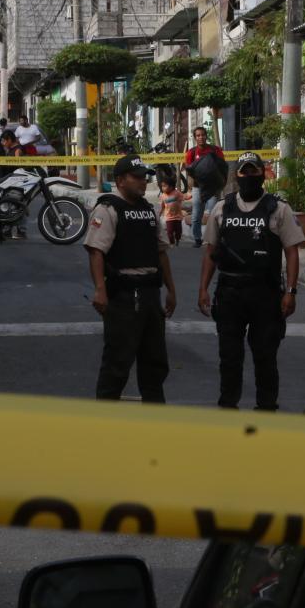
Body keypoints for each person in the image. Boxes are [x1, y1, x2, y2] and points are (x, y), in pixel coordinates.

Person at [198, 152, 304, 411]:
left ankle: (266, 407)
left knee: (265, 355)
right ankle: (228, 406)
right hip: (230, 292)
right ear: (238, 175)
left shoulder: (278, 208)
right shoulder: (223, 208)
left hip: (265, 293)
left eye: (253, 171)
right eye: (244, 172)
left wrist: (290, 291)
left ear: (263, 174)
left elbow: (291, 251)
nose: (248, 176)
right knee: (229, 356)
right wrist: (203, 289)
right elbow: (211, 250)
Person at [85, 154, 178, 402]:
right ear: (120, 180)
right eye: (136, 178)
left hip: (150, 294)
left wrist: (171, 289)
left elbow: (161, 252)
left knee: (155, 360)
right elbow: (96, 252)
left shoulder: (148, 211)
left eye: (144, 178)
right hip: (123, 296)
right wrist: (100, 290)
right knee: (118, 360)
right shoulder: (108, 209)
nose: (142, 182)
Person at [185, 126, 225, 248]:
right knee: (197, 214)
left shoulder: (215, 150)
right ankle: (197, 239)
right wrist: (191, 186)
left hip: (213, 188)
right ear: (195, 137)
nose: (201, 137)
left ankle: (213, 239)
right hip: (198, 188)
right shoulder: (191, 152)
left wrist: (221, 182)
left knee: (213, 214)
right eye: (198, 135)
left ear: (206, 136)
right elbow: (188, 169)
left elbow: (223, 166)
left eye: (203, 135)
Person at [0, 130, 29, 240]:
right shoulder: (10, 149)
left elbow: (19, 165)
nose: (3, 143)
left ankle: (21, 231)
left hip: (18, 182)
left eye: (4, 141)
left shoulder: (18, 150)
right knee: (10, 205)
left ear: (9, 140)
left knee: (18, 206)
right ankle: (8, 230)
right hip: (11, 181)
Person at [159, 172, 185, 246]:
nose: (162, 188)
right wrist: (160, 212)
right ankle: (172, 242)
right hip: (169, 217)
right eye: (162, 186)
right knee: (170, 232)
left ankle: (177, 240)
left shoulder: (177, 193)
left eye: (164, 186)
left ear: (171, 187)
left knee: (178, 231)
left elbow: (183, 197)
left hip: (178, 217)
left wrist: (189, 197)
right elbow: (162, 205)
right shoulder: (163, 195)